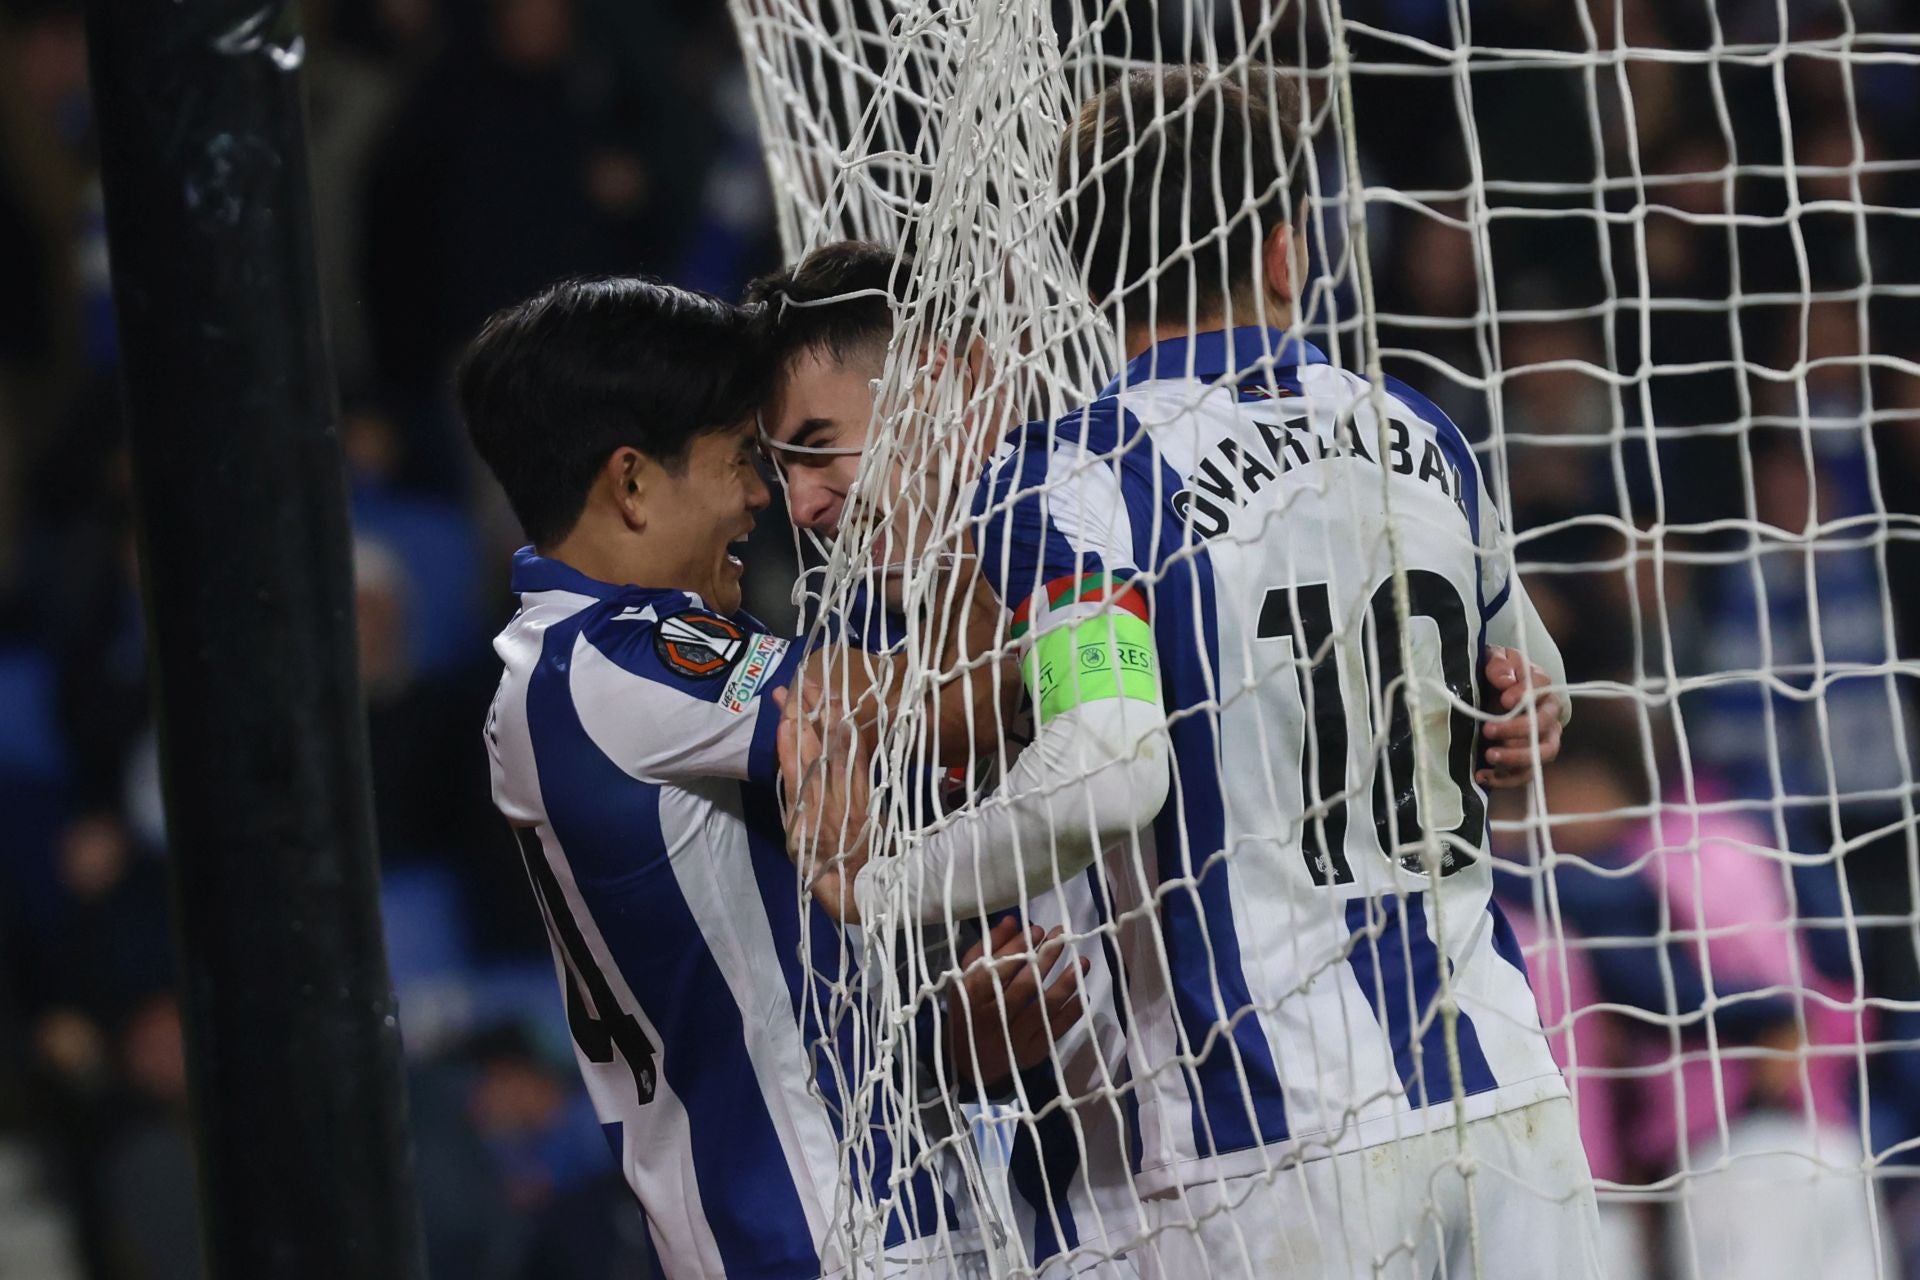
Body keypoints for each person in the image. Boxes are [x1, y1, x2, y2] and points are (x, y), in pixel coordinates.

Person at [782, 67, 1596, 1279]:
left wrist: (881, 883)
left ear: (1092, 277)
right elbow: (1535, 681)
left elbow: (1108, 768)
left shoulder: (1081, 475)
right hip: (1506, 1101)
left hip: (1261, 1147)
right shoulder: (1415, 428)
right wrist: (1523, 719)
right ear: (1286, 249)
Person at [459, 276, 1077, 1279]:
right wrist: (954, 465)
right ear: (631, 482)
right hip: (815, 1243)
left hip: (876, 1218)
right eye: (742, 458)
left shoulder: (596, 671)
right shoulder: (609, 662)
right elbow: (959, 693)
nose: (767, 498)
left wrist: (944, 1047)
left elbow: (769, 995)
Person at [748, 242, 1147, 1278]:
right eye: (781, 469)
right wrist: (957, 1048)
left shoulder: (1128, 520)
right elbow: (934, 1045)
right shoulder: (863, 683)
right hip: (1081, 1219)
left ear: (957, 380)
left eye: (820, 443)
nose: (804, 505)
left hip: (1286, 1153)